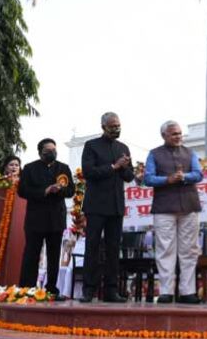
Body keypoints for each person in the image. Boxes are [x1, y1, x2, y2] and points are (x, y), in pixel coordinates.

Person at [144, 121, 203, 304]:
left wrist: (184, 177)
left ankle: (188, 292)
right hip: (164, 208)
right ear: (164, 136)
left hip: (189, 205)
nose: (178, 137)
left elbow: (198, 174)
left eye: (179, 133)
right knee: (165, 249)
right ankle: (166, 292)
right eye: (173, 134)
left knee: (189, 250)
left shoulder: (190, 153)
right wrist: (168, 179)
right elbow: (148, 178)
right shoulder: (154, 154)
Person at [80, 112, 135, 303]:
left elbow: (129, 176)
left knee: (113, 249)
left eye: (118, 126)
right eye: (112, 126)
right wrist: (113, 167)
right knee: (92, 247)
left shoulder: (123, 147)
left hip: (116, 206)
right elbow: (89, 172)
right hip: (96, 205)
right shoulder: (91, 146)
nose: (116, 129)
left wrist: (125, 167)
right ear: (103, 127)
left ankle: (111, 290)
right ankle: (89, 290)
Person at [18, 138, 75, 299]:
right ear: (40, 152)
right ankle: (26, 289)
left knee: (53, 255)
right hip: (35, 218)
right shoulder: (30, 168)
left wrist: (59, 190)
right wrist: (45, 191)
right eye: (48, 151)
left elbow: (71, 190)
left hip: (56, 218)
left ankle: (51, 289)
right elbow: (23, 191)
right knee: (31, 254)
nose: (52, 153)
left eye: (54, 150)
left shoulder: (63, 168)